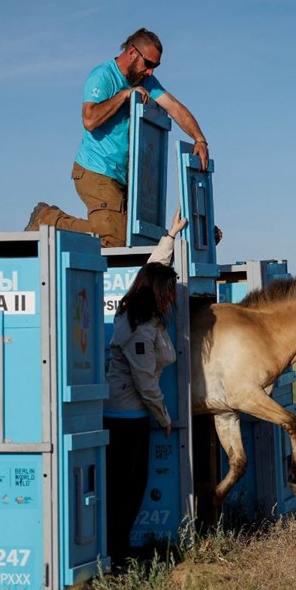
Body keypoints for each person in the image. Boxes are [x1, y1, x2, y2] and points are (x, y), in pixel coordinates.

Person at [25, 28, 208, 248]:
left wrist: (200, 139)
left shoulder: (147, 81)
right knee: (116, 240)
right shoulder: (103, 76)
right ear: (132, 53)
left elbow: (175, 108)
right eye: (148, 64)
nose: (150, 72)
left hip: (124, 177)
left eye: (155, 67)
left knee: (133, 240)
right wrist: (123, 95)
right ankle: (48, 219)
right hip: (96, 170)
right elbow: (89, 120)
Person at [103, 209, 187, 561]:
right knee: (127, 487)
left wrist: (170, 235)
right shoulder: (140, 325)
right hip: (126, 417)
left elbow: (151, 269)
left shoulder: (137, 309)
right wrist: (164, 417)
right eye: (169, 291)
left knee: (126, 486)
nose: (171, 297)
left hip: (126, 414)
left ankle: (115, 549)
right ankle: (116, 553)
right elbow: (144, 382)